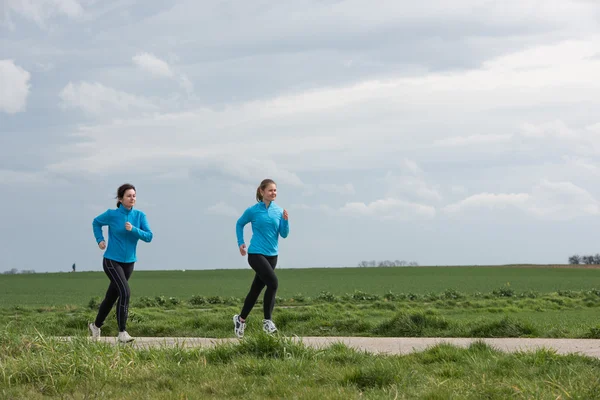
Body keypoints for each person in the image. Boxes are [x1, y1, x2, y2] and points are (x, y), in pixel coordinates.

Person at [88, 183, 153, 343]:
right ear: (120, 199)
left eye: (134, 196)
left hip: (129, 263)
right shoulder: (112, 214)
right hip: (111, 260)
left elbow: (149, 236)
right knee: (125, 292)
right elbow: (96, 222)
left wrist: (134, 230)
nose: (132, 198)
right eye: (129, 196)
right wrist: (100, 240)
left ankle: (95, 326)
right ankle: (122, 332)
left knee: (111, 297)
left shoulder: (139, 216)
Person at [233, 178, 289, 338]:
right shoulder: (253, 210)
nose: (274, 193)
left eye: (275, 190)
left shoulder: (279, 211)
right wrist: (241, 243)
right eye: (271, 190)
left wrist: (285, 221)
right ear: (262, 191)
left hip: (272, 256)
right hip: (256, 253)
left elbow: (284, 234)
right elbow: (239, 223)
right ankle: (267, 321)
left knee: (256, 289)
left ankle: (240, 319)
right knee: (273, 283)